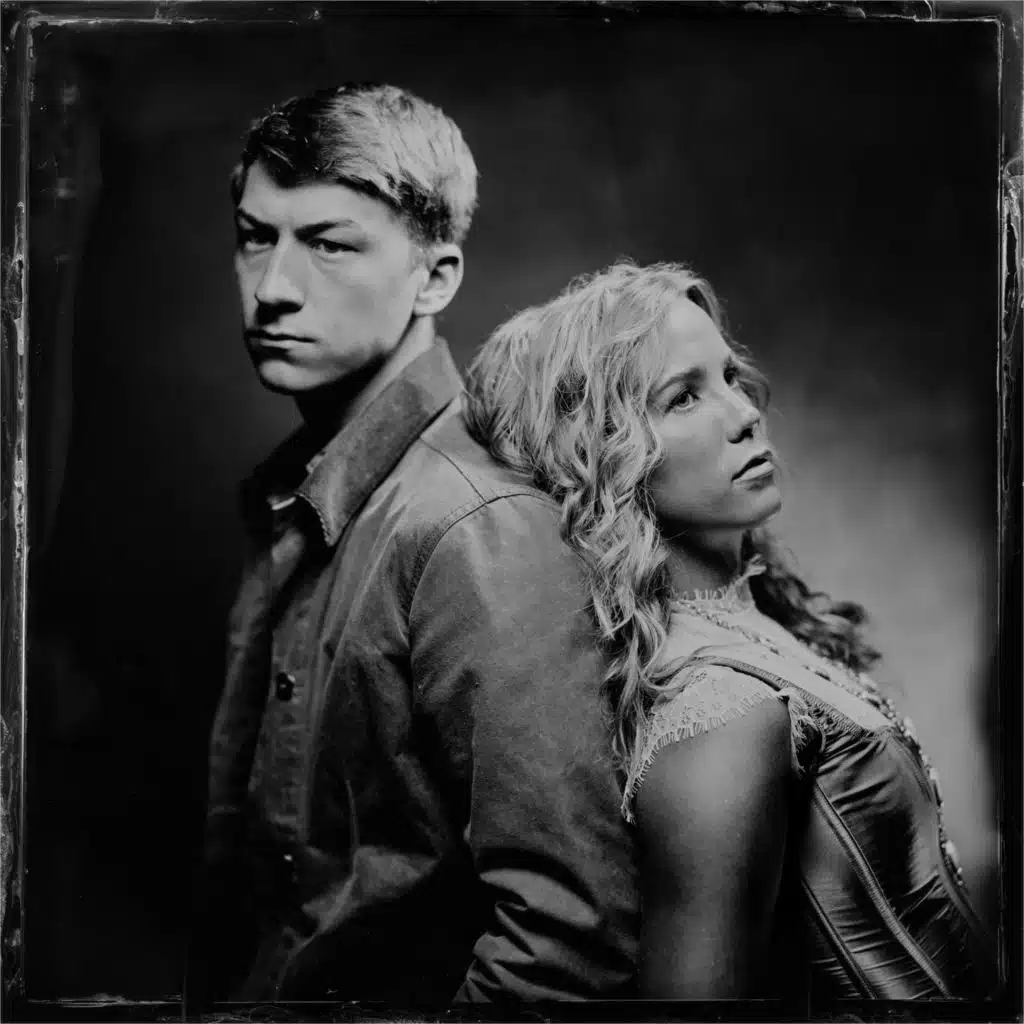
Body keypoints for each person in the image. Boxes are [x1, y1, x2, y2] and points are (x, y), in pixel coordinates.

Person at [195, 84, 638, 1004]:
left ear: (434, 279)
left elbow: (569, 942)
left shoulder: (474, 524)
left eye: (330, 244)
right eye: (255, 237)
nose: (273, 288)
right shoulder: (295, 493)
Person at [462, 261, 997, 1002]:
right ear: (600, 454)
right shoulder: (720, 711)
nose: (744, 411)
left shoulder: (749, 622)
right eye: (683, 396)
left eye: (729, 376)